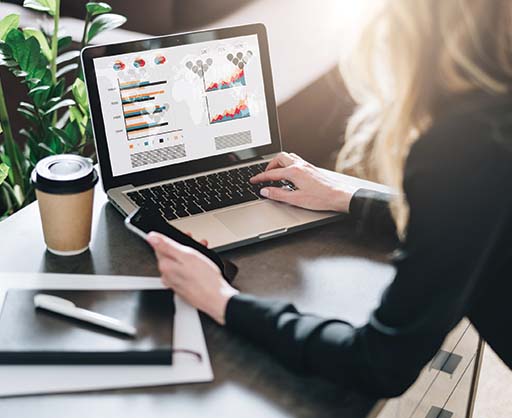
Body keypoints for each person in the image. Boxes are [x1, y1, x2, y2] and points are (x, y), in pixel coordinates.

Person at [147, 0, 512, 396]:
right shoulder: (491, 125)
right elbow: (475, 215)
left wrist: (222, 299)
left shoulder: (467, 145)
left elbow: (378, 362)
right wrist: (351, 196)